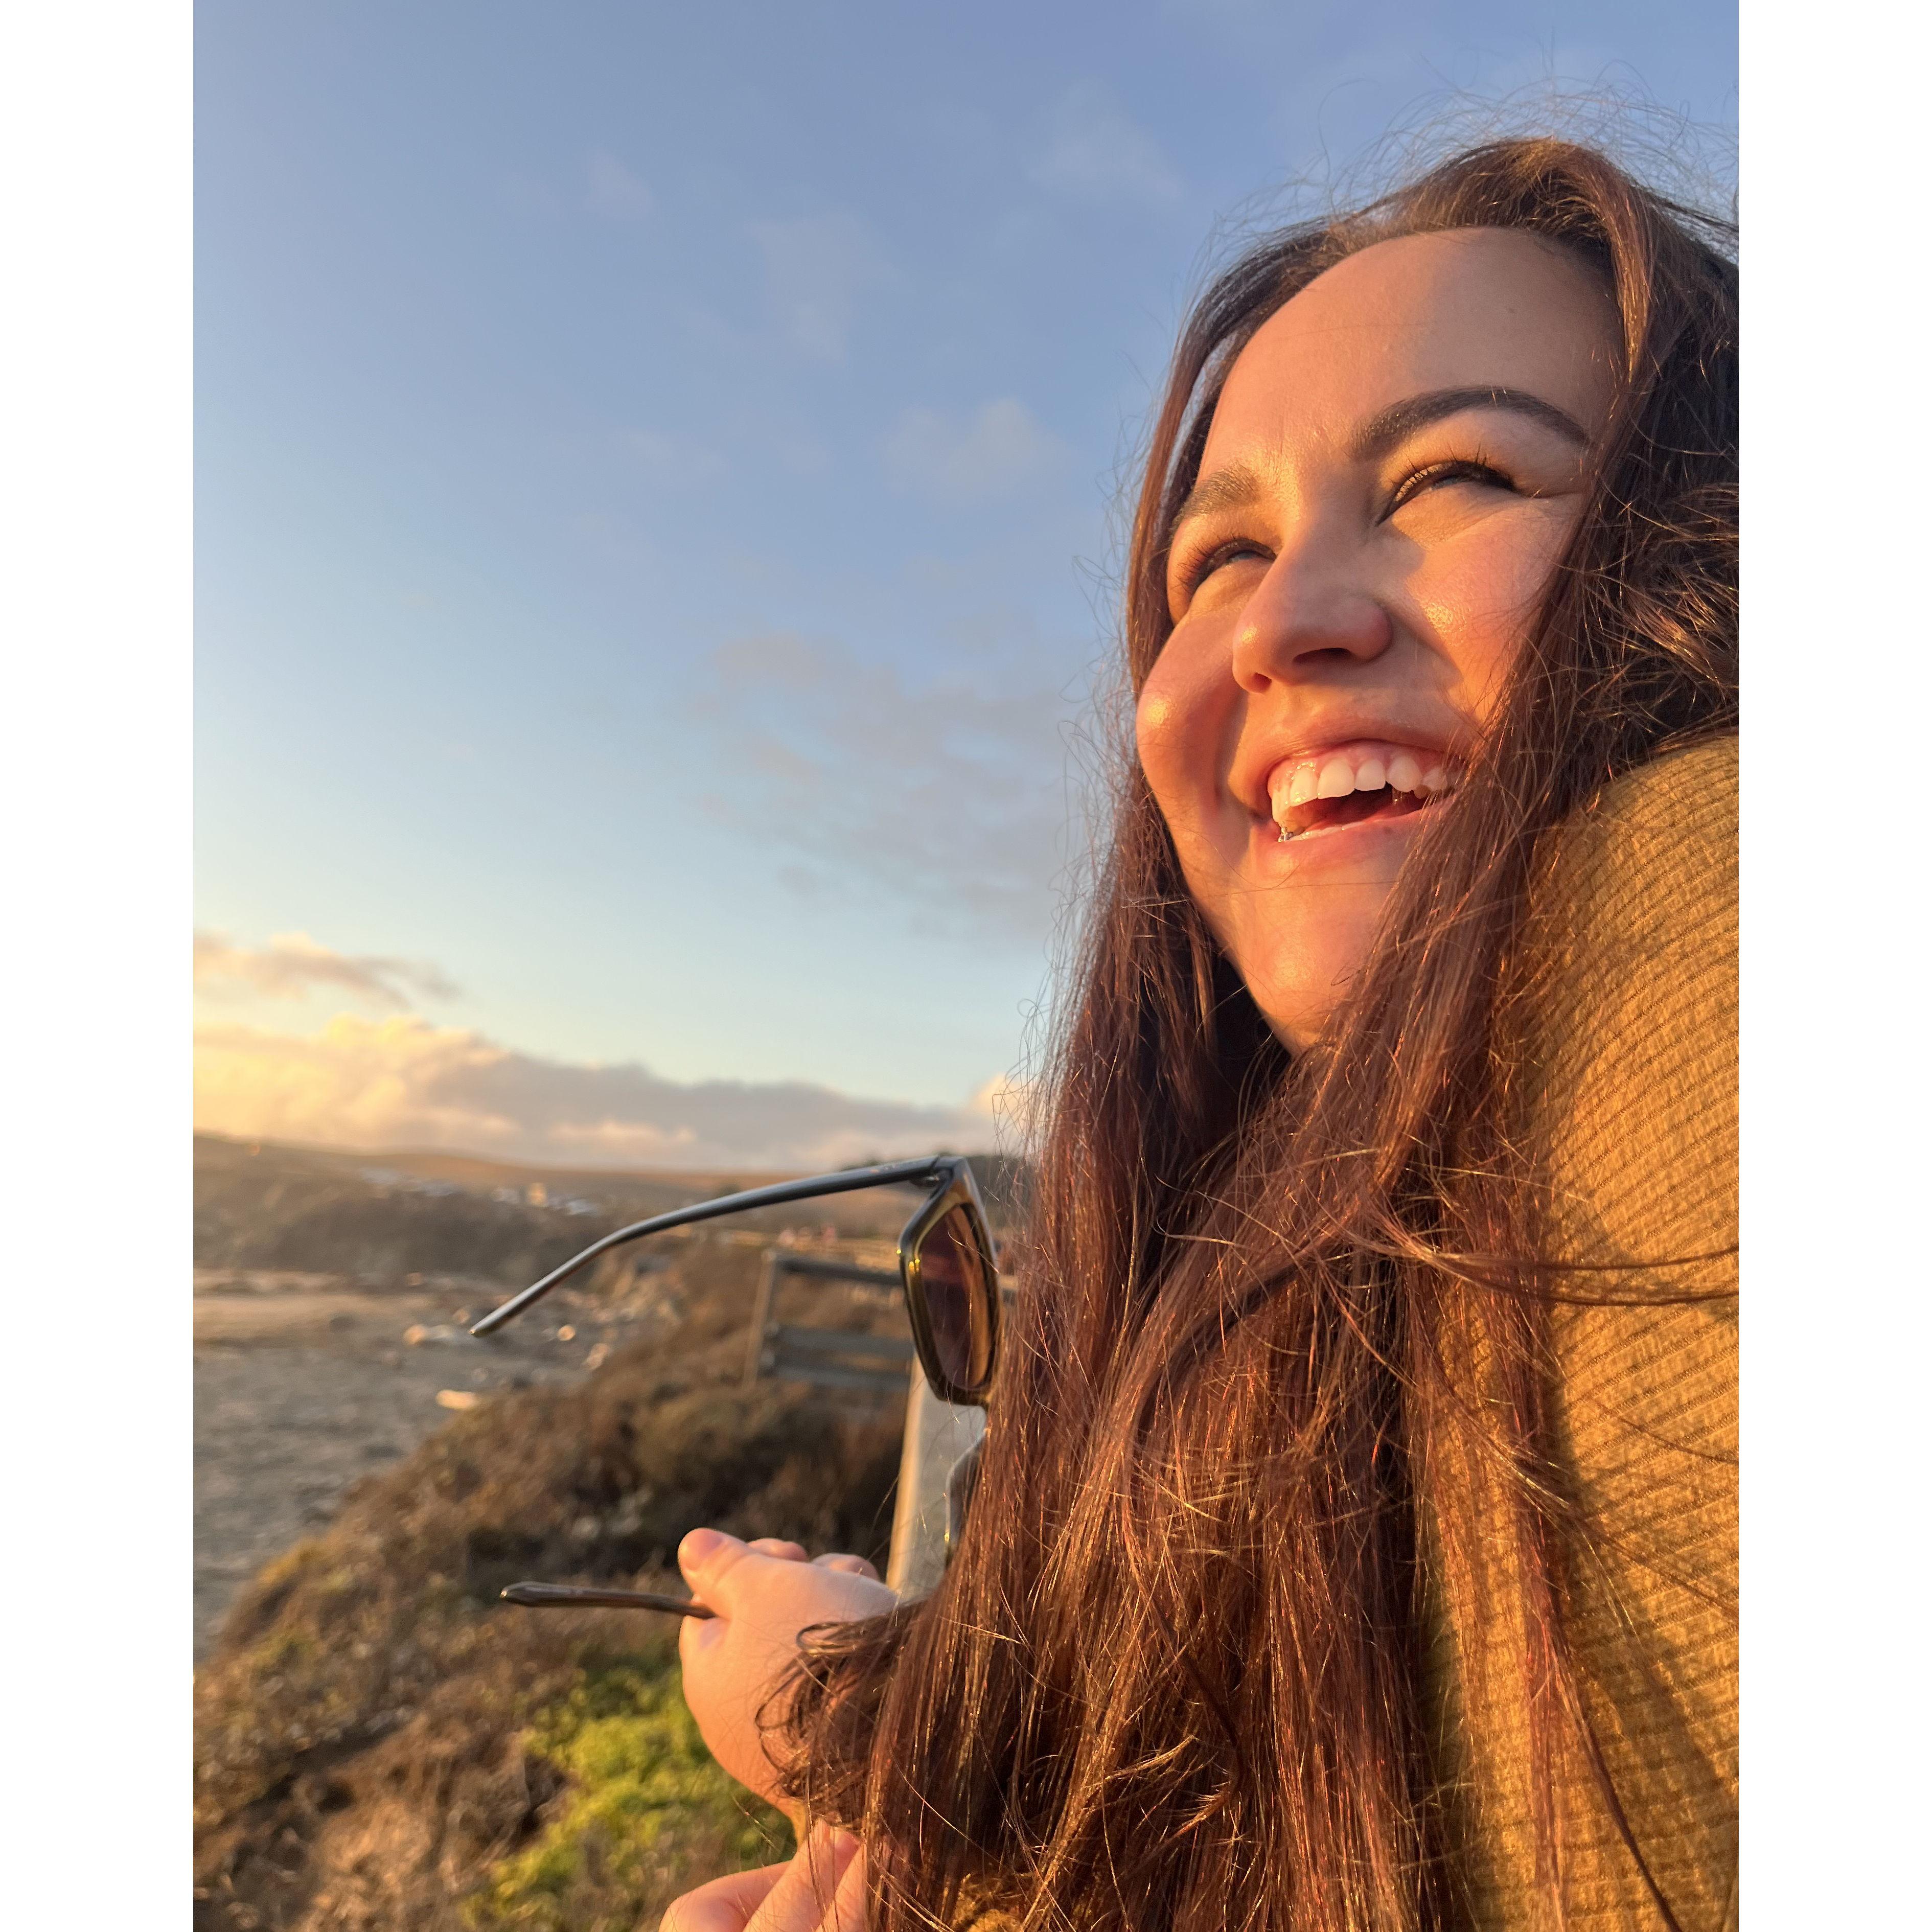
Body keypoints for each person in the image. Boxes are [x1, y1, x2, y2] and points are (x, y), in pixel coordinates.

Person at [663, 135, 1737, 1932]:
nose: (1280, 623)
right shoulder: (1307, 1239)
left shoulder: (1699, 896)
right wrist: (854, 1702)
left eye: (1456, 477)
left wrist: (825, 1726)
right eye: (1219, 556)